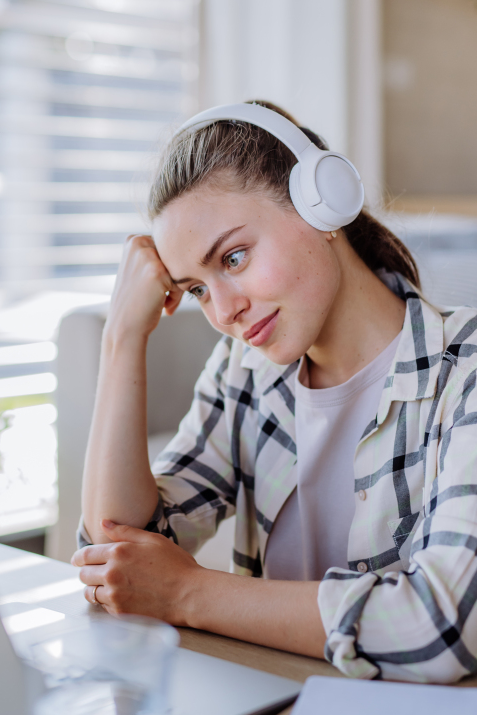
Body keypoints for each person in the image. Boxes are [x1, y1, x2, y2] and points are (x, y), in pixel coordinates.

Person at [72, 100, 477, 683]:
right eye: (197, 290)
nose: (226, 311)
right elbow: (121, 553)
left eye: (233, 257)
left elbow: (441, 623)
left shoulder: (463, 370)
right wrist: (121, 338)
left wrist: (188, 593)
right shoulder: (246, 369)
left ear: (324, 203)